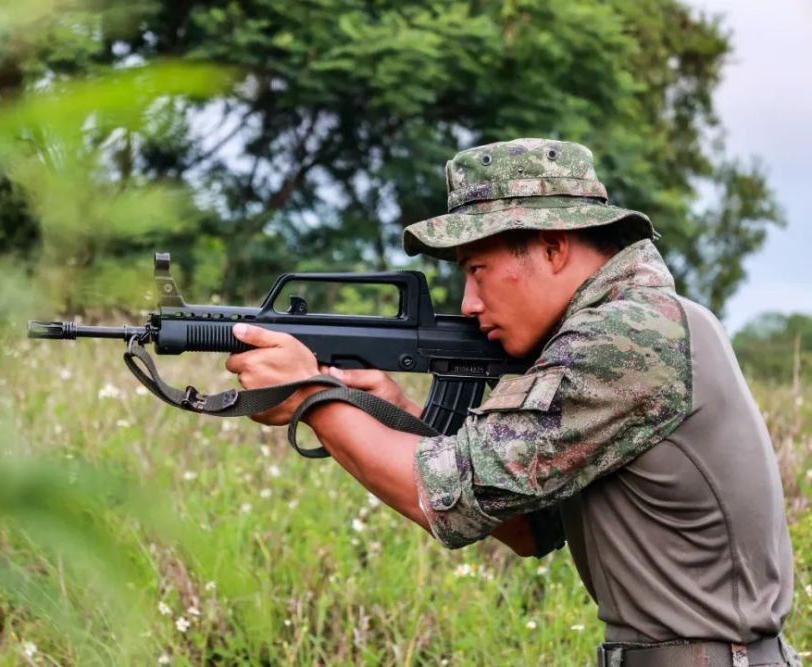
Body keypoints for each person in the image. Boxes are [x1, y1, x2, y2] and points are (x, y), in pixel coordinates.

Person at [224, 138, 800, 666]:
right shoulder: (646, 322)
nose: (470, 303)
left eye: (479, 271)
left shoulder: (627, 335)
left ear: (552, 248)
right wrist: (392, 411)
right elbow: (527, 528)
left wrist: (313, 397)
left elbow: (446, 500)